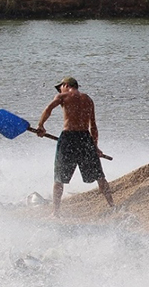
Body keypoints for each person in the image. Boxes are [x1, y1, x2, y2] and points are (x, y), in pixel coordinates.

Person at [36, 76, 114, 215]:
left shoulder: (62, 96)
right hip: (85, 138)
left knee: (59, 178)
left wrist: (41, 126)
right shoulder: (88, 99)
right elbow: (93, 126)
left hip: (68, 138)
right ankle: (113, 206)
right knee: (99, 176)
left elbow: (48, 109)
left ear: (66, 85)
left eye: (61, 86)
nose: (60, 89)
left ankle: (55, 212)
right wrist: (95, 146)